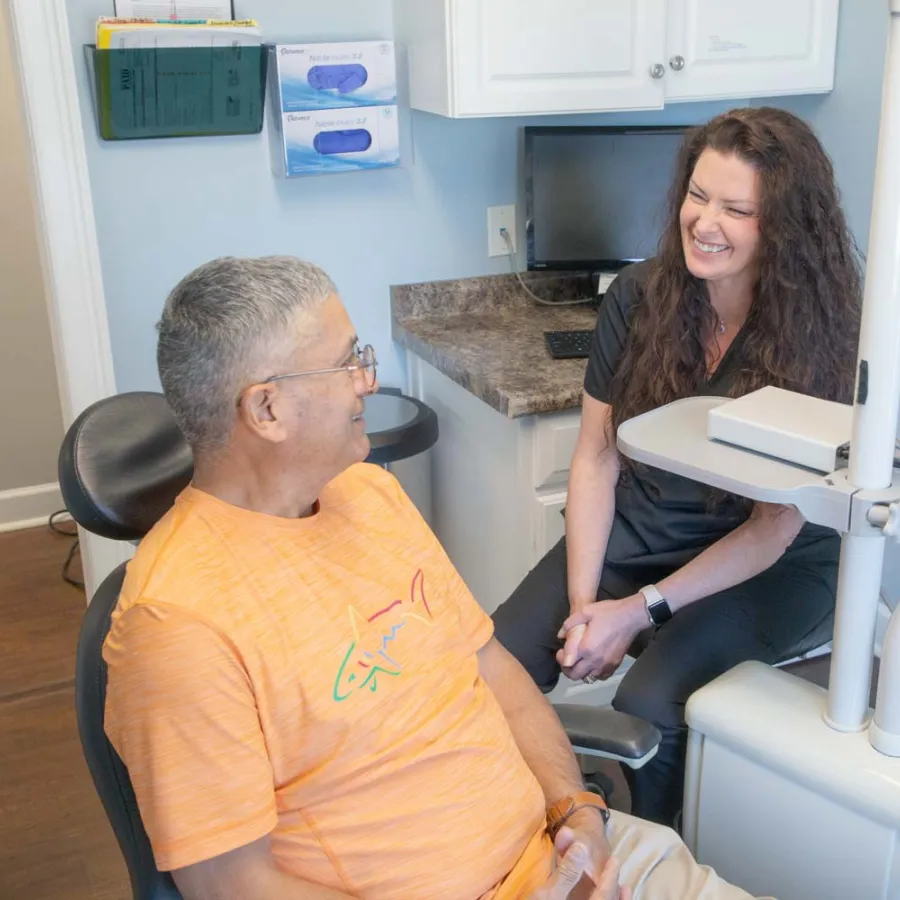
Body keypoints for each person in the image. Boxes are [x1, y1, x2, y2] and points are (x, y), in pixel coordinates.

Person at [102, 256, 763, 900]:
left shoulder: (367, 494)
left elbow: (495, 671)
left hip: (580, 859)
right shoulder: (178, 622)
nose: (368, 378)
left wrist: (579, 813)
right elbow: (229, 883)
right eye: (345, 362)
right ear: (266, 410)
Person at [492, 106, 864, 829]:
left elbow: (771, 529)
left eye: (737, 209)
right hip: (648, 522)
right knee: (497, 660)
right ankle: (517, 829)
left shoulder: (824, 335)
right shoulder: (639, 297)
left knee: (651, 706)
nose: (705, 222)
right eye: (698, 196)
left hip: (772, 561)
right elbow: (596, 457)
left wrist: (639, 611)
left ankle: (653, 850)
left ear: (782, 226)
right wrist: (583, 609)